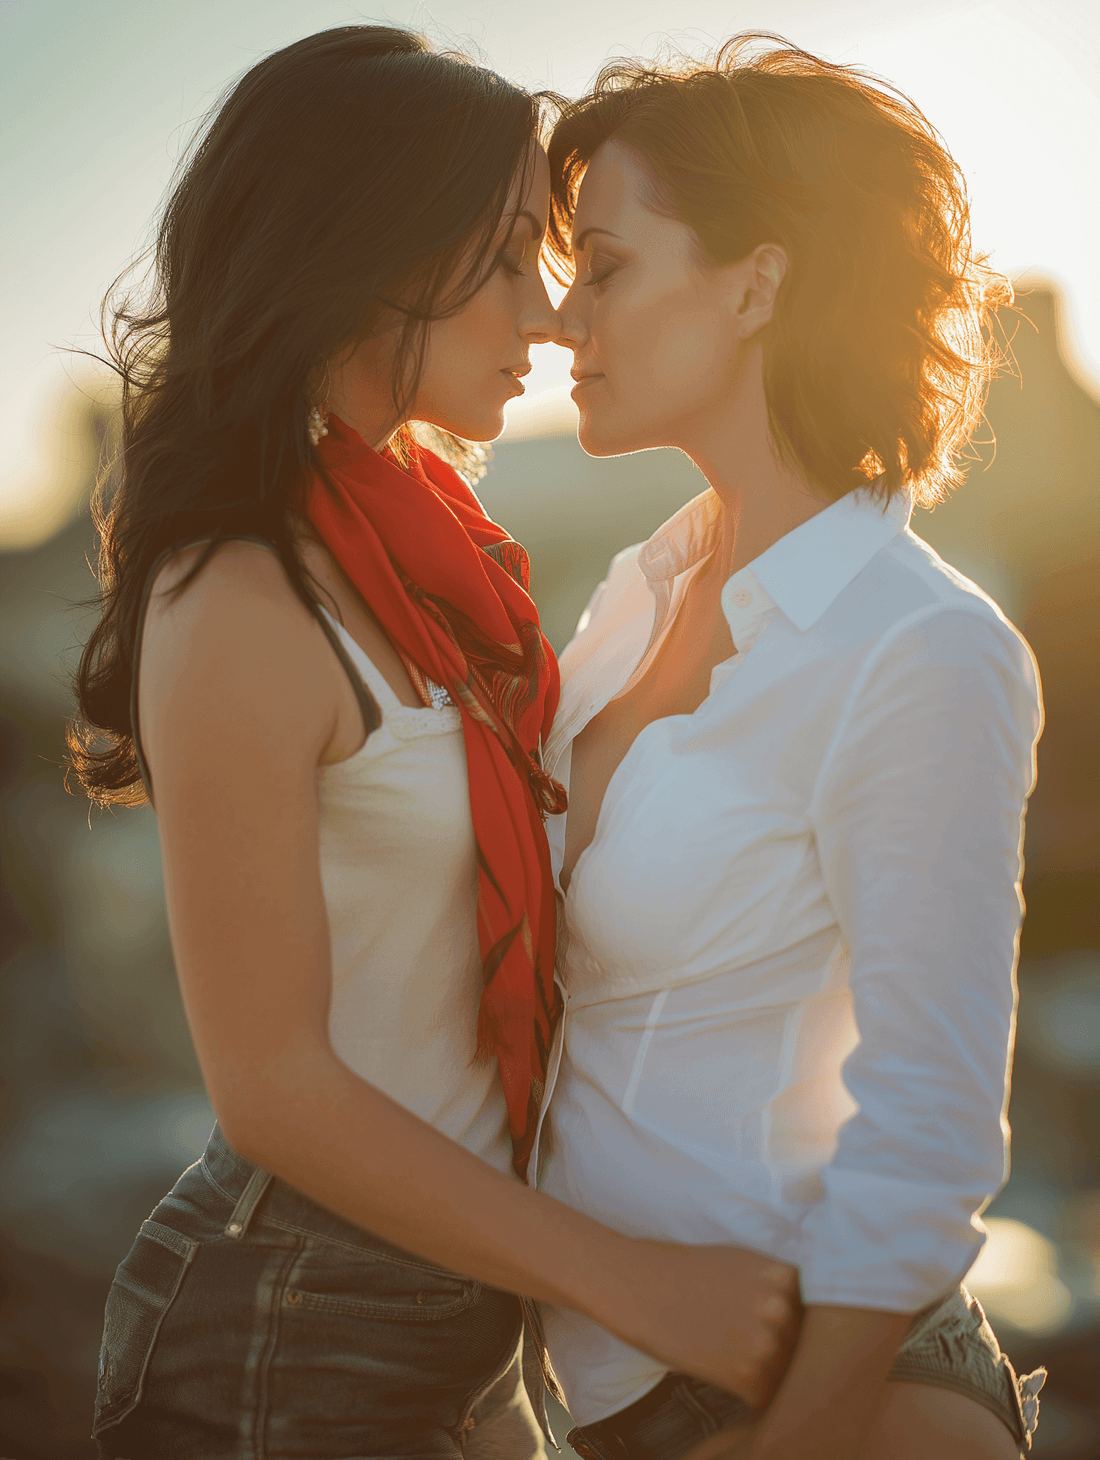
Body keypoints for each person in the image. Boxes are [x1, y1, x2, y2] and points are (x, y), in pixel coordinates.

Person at [68, 25, 798, 1460]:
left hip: (466, 1307)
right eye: (513, 254)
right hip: (292, 1320)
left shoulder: (433, 555)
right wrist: (628, 1280)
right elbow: (271, 1090)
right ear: (376, 253)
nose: (552, 312)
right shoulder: (241, 594)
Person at [533, 34, 1046, 1460]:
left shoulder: (920, 647)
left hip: (827, 1400)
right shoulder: (633, 597)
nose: (562, 319)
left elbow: (933, 1128)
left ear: (757, 285)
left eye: (607, 268)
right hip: (618, 1398)